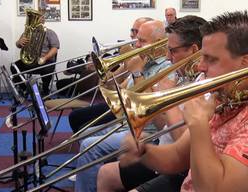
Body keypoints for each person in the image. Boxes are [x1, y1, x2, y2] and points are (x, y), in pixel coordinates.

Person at [114, 11, 248, 192]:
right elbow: (178, 156)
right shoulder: (223, 98)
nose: (200, 66)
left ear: (244, 62)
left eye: (211, 59)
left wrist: (199, 124)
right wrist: (143, 151)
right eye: (202, 57)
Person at [97, 15, 207, 192]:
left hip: (175, 161)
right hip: (161, 144)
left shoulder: (198, 83)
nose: (168, 57)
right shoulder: (184, 76)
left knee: (96, 153)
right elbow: (125, 94)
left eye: (172, 51)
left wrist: (166, 97)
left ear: (193, 50)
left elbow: (180, 140)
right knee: (105, 169)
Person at [74, 20, 172, 192]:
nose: (136, 44)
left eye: (142, 41)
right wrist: (115, 72)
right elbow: (115, 91)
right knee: (84, 133)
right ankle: (90, 174)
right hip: (125, 121)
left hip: (146, 130)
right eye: (137, 38)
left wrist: (136, 72)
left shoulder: (166, 68)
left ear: (158, 43)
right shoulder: (144, 62)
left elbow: (150, 108)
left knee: (88, 145)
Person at [68, 17, 153, 133]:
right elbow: (111, 86)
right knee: (75, 117)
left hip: (130, 111)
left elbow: (140, 100)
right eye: (131, 31)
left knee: (81, 123)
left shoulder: (146, 62)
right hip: (119, 105)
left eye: (135, 32)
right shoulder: (134, 58)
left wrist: (134, 68)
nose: (131, 35)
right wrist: (104, 69)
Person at [11, 13, 60, 96]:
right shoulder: (27, 33)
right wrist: (19, 42)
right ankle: (25, 89)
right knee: (14, 67)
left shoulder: (50, 33)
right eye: (37, 18)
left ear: (44, 21)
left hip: (44, 60)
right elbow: (18, 45)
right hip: (30, 60)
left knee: (48, 68)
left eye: (41, 18)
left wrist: (45, 58)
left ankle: (45, 90)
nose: (40, 20)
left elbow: (55, 48)